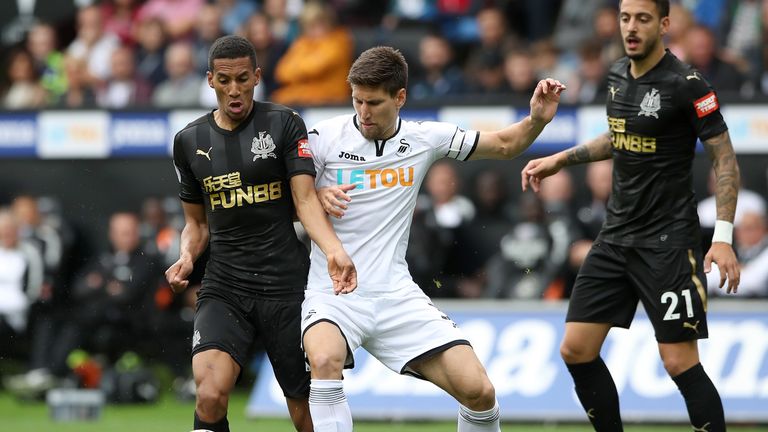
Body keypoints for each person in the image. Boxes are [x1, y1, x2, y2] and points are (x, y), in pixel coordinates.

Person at [302, 46, 565, 432]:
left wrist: (537, 121)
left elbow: (505, 145)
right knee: (324, 360)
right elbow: (285, 198)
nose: (363, 112)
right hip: (333, 293)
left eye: (374, 102)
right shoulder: (324, 137)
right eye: (357, 100)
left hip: (395, 295)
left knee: (480, 391)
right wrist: (316, 196)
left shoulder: (424, 138)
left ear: (400, 97)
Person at [520, 1, 741, 430]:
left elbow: (726, 160)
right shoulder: (618, 72)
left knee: (678, 362)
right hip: (616, 236)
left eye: (642, 18)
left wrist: (724, 236)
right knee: (576, 350)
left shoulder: (688, 84)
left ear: (664, 24)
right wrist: (561, 159)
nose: (631, 27)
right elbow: (620, 135)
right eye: (625, 18)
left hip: (668, 243)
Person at [166, 35, 356, 432]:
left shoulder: (284, 123)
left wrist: (333, 249)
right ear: (210, 81)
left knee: (306, 413)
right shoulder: (188, 141)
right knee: (210, 394)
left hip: (286, 286)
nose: (234, 89)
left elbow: (305, 201)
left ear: (256, 76)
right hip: (225, 285)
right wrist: (187, 256)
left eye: (241, 79)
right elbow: (197, 223)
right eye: (224, 80)